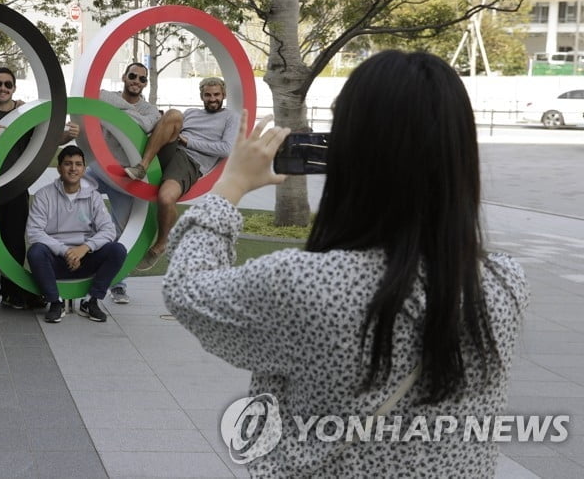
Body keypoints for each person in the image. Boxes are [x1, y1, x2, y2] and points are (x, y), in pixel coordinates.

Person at [162, 51, 529, 476]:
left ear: (354, 150)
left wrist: (232, 185)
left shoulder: (310, 285)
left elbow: (187, 289)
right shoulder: (504, 283)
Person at [0, 68, 79, 312]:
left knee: (13, 241)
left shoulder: (24, 113)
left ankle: (12, 294)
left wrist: (67, 134)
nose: (2, 88)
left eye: (7, 84)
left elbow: (47, 139)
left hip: (15, 188)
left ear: (14, 88)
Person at [124, 76, 240, 270]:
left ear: (224, 95)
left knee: (167, 197)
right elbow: (173, 128)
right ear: (201, 96)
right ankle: (142, 166)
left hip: (190, 160)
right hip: (171, 148)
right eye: (208, 95)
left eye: (216, 95)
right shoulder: (191, 112)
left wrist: (188, 142)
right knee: (174, 114)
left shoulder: (230, 117)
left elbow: (226, 148)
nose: (212, 99)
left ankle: (161, 245)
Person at [85, 61, 162, 304]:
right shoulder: (105, 96)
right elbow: (98, 98)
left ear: (145, 83)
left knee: (121, 231)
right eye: (132, 76)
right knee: (75, 207)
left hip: (126, 177)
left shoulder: (150, 110)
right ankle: (79, 269)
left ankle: (118, 283)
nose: (136, 82)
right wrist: (127, 112)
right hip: (99, 168)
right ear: (124, 76)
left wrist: (117, 113)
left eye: (141, 79)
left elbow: (146, 123)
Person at [26, 145, 127, 324]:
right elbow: (34, 232)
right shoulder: (44, 195)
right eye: (68, 164)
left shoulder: (93, 196)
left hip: (86, 257)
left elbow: (108, 230)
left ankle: (91, 301)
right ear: (59, 168)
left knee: (117, 250)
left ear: (83, 168)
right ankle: (55, 302)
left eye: (78, 164)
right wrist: (65, 251)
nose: (73, 169)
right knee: (36, 251)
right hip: (56, 259)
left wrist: (85, 248)